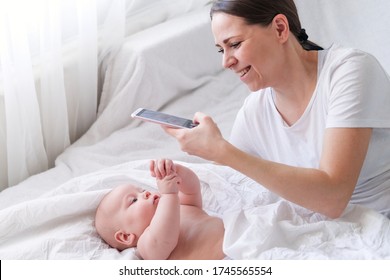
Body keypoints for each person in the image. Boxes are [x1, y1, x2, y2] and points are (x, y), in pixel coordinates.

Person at [163, 0, 390, 219]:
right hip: (333, 235)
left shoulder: (350, 72)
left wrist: (222, 150)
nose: (226, 62)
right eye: (221, 50)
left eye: (234, 44)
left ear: (280, 29)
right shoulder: (255, 111)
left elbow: (333, 198)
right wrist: (179, 185)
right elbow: (227, 184)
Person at [95, 159, 225, 260]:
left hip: (239, 237)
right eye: (134, 200)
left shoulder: (181, 207)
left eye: (142, 190)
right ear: (126, 236)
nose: (145, 194)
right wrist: (169, 195)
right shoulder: (146, 243)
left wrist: (176, 172)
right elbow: (165, 239)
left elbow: (192, 189)